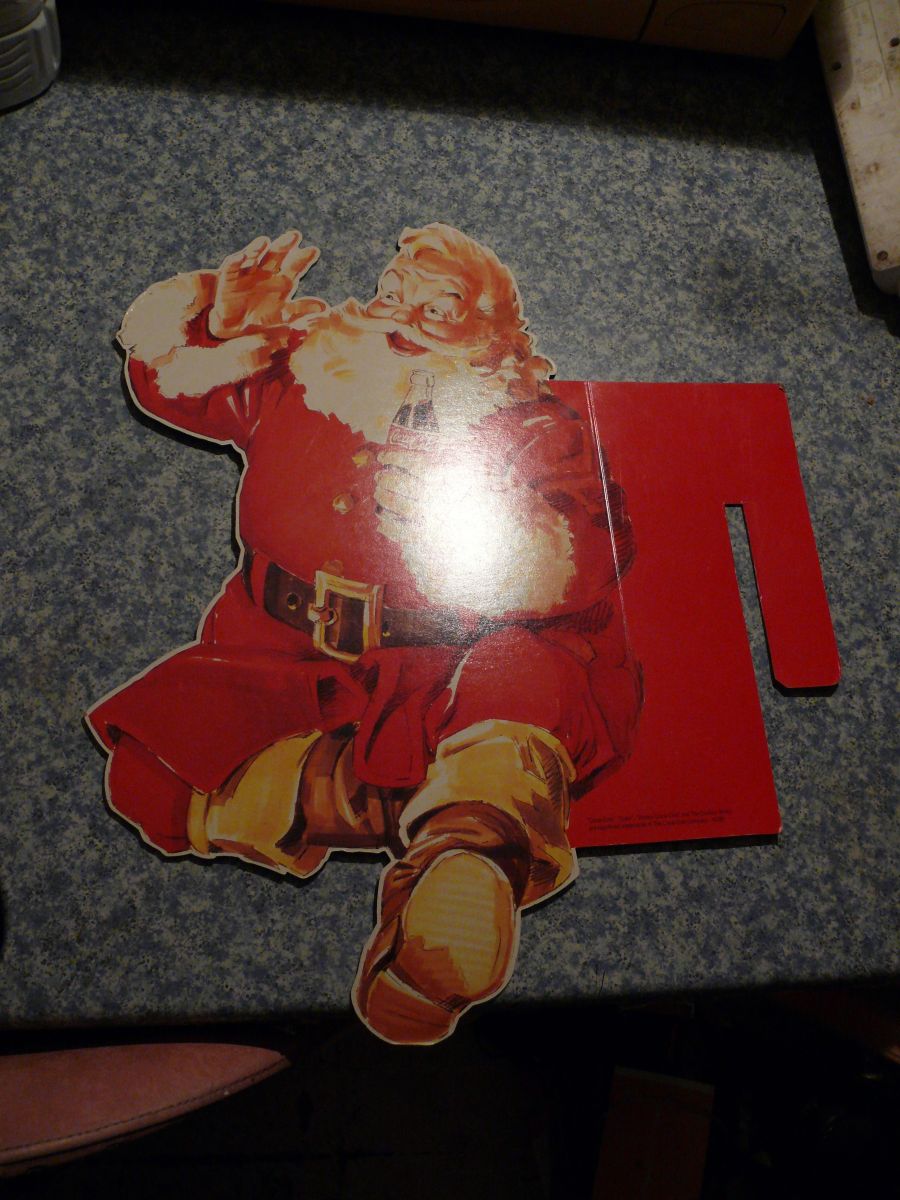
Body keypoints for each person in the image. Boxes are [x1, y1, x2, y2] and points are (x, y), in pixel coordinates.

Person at [87, 224, 642, 1044]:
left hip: (444, 667)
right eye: (392, 290)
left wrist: (495, 530)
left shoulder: (529, 426)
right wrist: (220, 325)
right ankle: (450, 833)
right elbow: (176, 389)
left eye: (438, 306)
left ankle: (457, 884)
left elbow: (590, 553)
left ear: (492, 332)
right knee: (152, 776)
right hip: (281, 655)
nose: (400, 315)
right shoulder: (307, 374)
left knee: (521, 685)